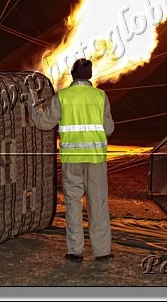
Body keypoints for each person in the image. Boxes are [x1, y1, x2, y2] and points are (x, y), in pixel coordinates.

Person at [29, 58, 115, 263]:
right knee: (99, 204)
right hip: (95, 159)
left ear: (72, 75)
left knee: (73, 204)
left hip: (71, 160)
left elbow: (44, 123)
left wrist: (33, 107)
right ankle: (102, 251)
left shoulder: (62, 97)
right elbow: (109, 129)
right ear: (90, 75)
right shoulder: (101, 96)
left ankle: (75, 251)